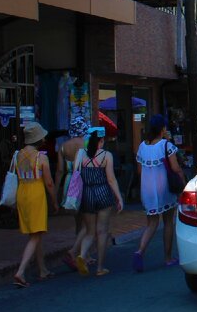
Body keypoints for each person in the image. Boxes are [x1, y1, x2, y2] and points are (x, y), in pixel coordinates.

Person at [133, 114, 184, 272]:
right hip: (164, 188)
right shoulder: (166, 146)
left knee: (152, 223)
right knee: (168, 222)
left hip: (147, 188)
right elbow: (175, 168)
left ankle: (140, 250)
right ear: (163, 128)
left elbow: (139, 171)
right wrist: (183, 181)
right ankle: (168, 258)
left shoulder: (142, 146)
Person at [74, 126, 124, 277]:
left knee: (89, 231)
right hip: (103, 194)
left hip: (87, 194)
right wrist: (119, 197)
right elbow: (111, 179)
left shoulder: (80, 154)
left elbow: (76, 175)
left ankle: (82, 256)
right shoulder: (106, 156)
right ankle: (100, 267)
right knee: (102, 232)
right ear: (101, 141)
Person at [13, 122, 58, 287]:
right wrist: (54, 201)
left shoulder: (17, 155)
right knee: (36, 233)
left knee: (34, 233)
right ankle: (20, 272)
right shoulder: (41, 157)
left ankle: (42, 269)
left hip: (22, 192)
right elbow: (49, 183)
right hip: (36, 193)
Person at [55, 116, 88, 270]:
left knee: (78, 220)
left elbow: (60, 170)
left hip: (69, 183)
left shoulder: (63, 146)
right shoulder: (86, 144)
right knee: (88, 220)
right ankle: (78, 253)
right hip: (83, 181)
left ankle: (80, 253)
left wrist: (55, 192)